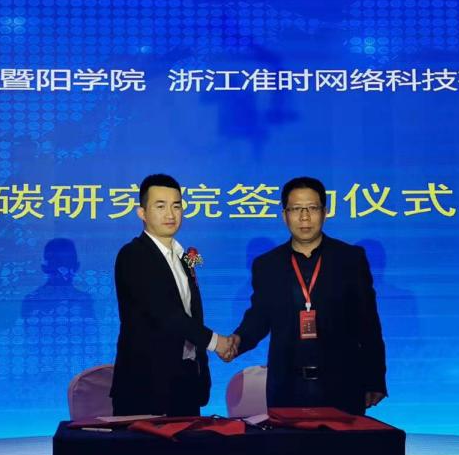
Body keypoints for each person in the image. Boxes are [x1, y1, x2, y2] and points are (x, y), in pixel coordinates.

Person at [222, 176, 387, 415]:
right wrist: (237, 341)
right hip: (286, 388)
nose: (305, 217)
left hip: (342, 385)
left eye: (312, 208)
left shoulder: (350, 259)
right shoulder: (267, 265)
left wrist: (375, 378)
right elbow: (259, 318)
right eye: (296, 209)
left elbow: (368, 323)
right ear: (284, 215)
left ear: (325, 212)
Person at [110, 174, 235, 416]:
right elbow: (166, 314)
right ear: (142, 213)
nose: (170, 214)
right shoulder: (133, 255)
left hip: (186, 384)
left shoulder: (184, 257)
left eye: (176, 206)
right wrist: (217, 342)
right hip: (145, 388)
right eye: (160, 206)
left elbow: (191, 315)